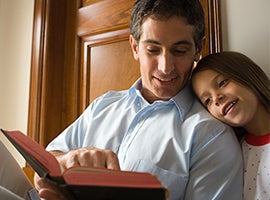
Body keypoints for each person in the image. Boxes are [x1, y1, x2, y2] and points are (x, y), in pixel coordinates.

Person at [35, 1, 243, 200]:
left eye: (179, 51)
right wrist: (67, 160)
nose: (165, 67)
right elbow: (43, 166)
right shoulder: (103, 106)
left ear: (198, 49)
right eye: (153, 50)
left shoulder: (211, 136)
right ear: (135, 47)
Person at [191, 51, 270, 200]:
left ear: (247, 74)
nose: (216, 98)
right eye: (207, 100)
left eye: (222, 83)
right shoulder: (233, 154)